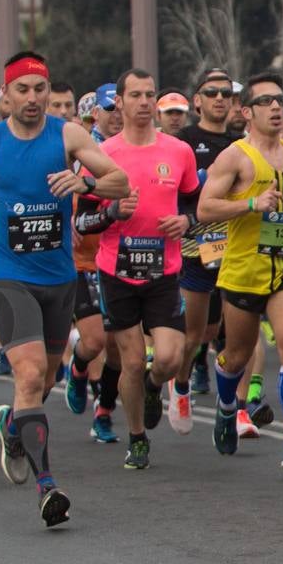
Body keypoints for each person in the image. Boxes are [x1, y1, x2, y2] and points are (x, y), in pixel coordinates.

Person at [0, 51, 129, 528]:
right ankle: (48, 487)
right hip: (10, 279)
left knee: (45, 382)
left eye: (39, 90)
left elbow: (119, 181)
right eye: (22, 90)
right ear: (6, 95)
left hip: (59, 280)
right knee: (27, 376)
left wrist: (83, 180)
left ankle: (13, 426)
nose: (32, 99)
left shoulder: (67, 135)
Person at [197, 72, 283, 469]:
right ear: (246, 112)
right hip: (243, 267)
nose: (275, 108)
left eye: (279, 102)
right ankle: (224, 405)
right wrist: (250, 205)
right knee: (235, 355)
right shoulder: (235, 156)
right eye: (266, 102)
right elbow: (204, 210)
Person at [74, 69, 197, 469]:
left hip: (165, 269)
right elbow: (82, 221)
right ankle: (137, 437)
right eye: (136, 96)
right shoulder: (103, 154)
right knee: (128, 360)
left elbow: (195, 203)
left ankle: (151, 387)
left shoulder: (178, 151)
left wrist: (186, 222)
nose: (144, 102)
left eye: (150, 95)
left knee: (168, 358)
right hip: (116, 270)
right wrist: (111, 211)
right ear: (120, 103)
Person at [171, 67, 238, 406]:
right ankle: (180, 383)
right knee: (194, 334)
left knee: (218, 330)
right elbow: (173, 192)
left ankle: (237, 404)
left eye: (226, 93)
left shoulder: (241, 142)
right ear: (197, 100)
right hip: (195, 248)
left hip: (234, 246)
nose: (220, 99)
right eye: (212, 93)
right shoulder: (183, 141)